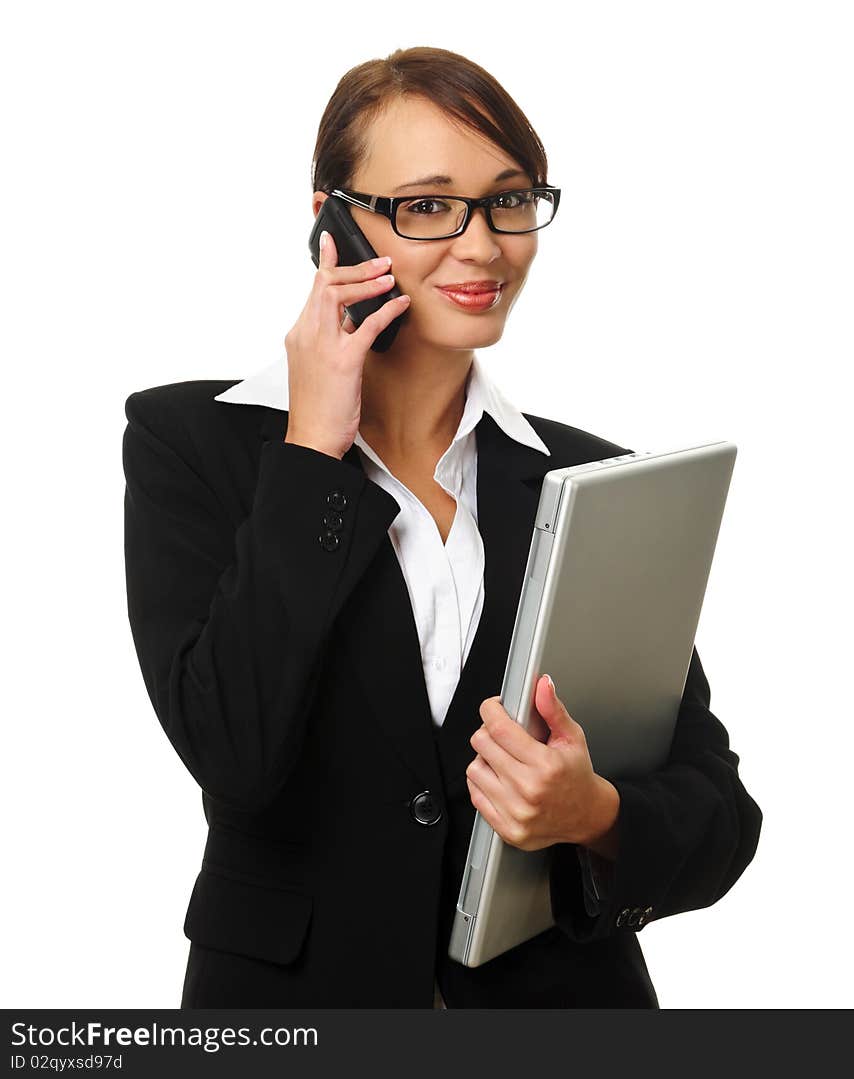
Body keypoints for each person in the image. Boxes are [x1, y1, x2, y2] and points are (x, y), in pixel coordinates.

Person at [122, 46, 762, 1009]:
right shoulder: (193, 445)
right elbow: (234, 753)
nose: (482, 244)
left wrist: (596, 814)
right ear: (331, 220)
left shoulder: (591, 478)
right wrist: (309, 452)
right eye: (426, 205)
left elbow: (720, 816)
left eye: (509, 199)